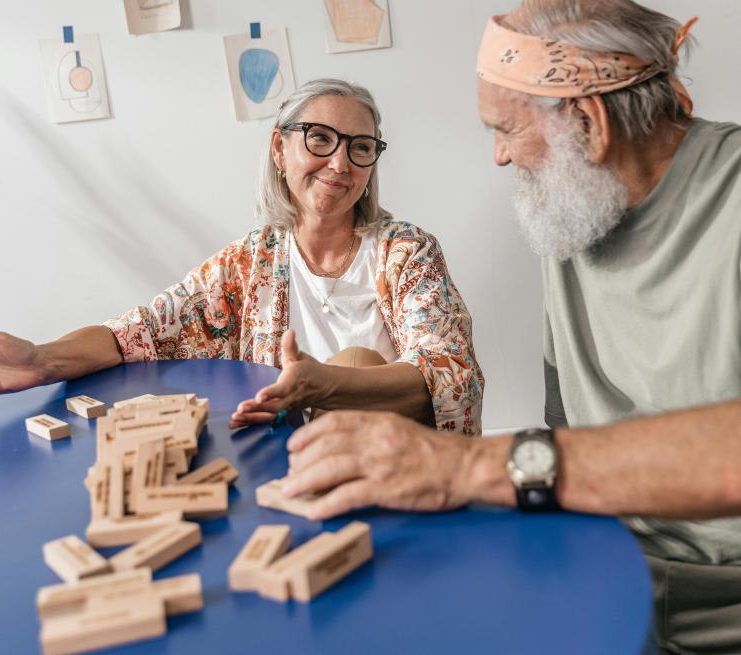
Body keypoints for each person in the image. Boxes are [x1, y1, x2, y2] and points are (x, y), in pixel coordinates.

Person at [281, 3, 741, 653]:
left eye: (504, 129)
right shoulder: (578, 207)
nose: (497, 157)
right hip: (601, 559)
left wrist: (470, 466)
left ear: (588, 121)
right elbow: (568, 431)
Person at [0, 79, 484, 435]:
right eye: (320, 138)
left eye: (360, 148)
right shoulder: (249, 264)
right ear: (279, 147)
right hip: (292, 463)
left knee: (356, 360)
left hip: (397, 458)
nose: (340, 163)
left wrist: (326, 384)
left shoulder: (407, 252)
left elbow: (450, 371)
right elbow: (141, 331)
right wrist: (43, 359)